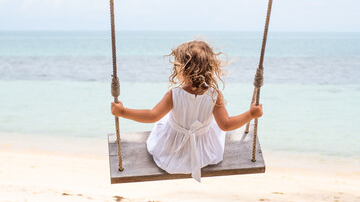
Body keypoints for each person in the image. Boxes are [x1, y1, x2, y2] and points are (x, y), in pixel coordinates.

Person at [111, 40, 263, 182]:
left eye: (176, 66)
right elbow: (226, 125)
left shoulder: (174, 94)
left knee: (164, 121)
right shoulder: (214, 95)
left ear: (185, 69)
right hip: (204, 151)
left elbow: (152, 116)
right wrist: (250, 114)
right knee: (213, 126)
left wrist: (123, 112)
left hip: (172, 149)